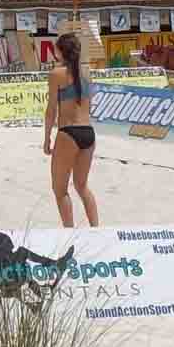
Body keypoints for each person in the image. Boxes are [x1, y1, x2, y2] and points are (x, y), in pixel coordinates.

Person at [42, 30, 101, 227]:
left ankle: (69, 231)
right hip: (88, 132)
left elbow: (51, 111)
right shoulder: (86, 73)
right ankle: (96, 229)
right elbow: (88, 106)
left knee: (60, 189)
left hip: (69, 133)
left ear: (60, 52)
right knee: (82, 186)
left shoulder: (56, 74)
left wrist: (46, 138)